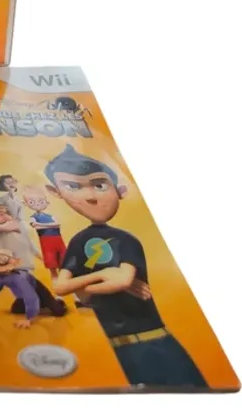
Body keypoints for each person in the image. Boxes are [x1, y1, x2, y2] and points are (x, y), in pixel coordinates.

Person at [46, 144, 208, 388]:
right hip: (117, 350)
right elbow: (60, 287)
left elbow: (120, 281)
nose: (90, 196)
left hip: (156, 343)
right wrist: (105, 274)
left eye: (99, 185)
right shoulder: (78, 242)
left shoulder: (125, 239)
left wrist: (86, 287)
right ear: (56, 192)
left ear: (119, 190)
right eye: (73, 186)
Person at [22, 184, 66, 280]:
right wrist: (51, 225)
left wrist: (41, 225)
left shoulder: (50, 216)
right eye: (32, 202)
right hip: (46, 243)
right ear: (26, 204)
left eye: (41, 201)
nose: (37, 204)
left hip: (58, 241)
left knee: (64, 266)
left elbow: (57, 224)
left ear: (47, 202)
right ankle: (57, 287)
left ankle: (67, 285)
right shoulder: (33, 217)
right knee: (52, 267)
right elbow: (37, 227)